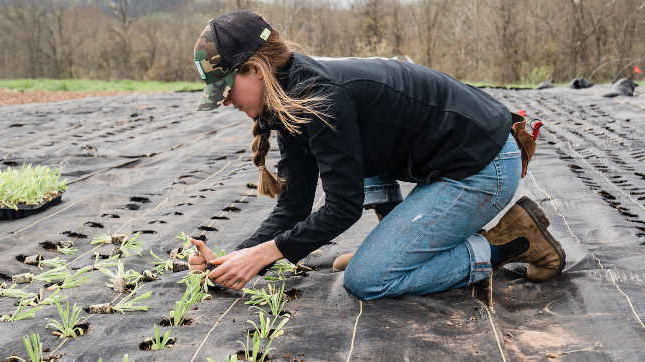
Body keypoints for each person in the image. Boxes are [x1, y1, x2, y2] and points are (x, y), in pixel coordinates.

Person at [187, 10, 566, 301]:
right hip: (452, 158)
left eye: (225, 89)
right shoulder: (286, 100)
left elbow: (342, 207)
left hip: (483, 166)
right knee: (359, 175)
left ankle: (510, 242)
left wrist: (264, 254)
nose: (224, 102)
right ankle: (392, 245)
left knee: (368, 279)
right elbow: (294, 207)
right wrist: (234, 259)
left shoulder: (321, 98)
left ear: (254, 69)